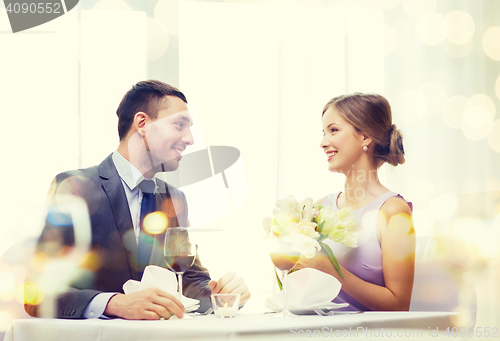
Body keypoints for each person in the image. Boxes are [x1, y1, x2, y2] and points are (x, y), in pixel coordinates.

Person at [25, 80, 250, 320]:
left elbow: (188, 280)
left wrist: (224, 295)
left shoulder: (175, 198)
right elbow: (37, 293)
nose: (190, 139)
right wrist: (114, 303)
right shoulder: (74, 187)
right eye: (179, 125)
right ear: (142, 123)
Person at [295, 93, 415, 311]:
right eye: (323, 133)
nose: (323, 143)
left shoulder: (392, 210)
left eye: (333, 130)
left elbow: (399, 305)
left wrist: (332, 270)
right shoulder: (319, 208)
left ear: (365, 137)